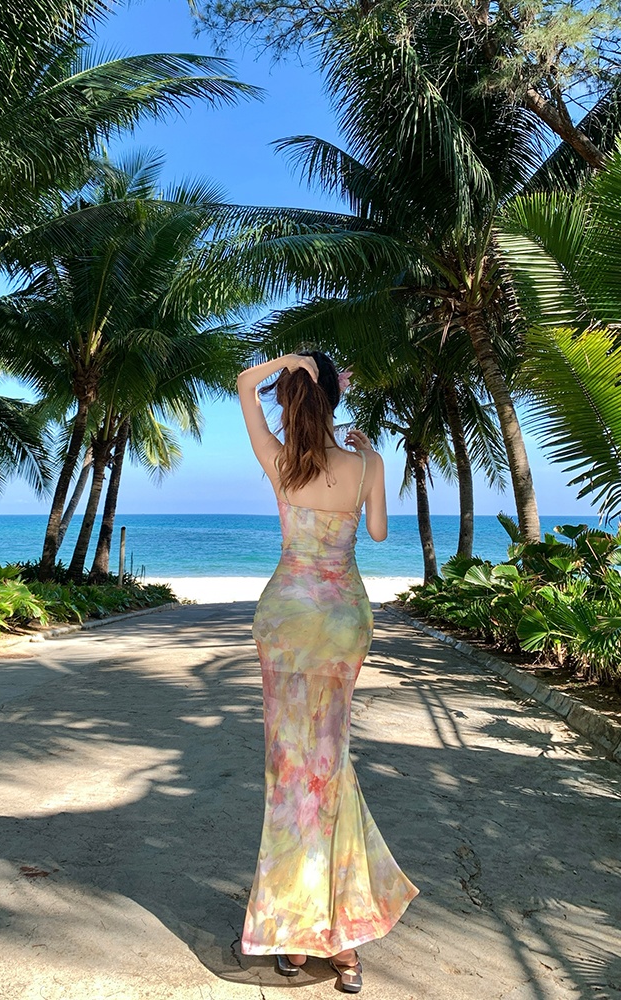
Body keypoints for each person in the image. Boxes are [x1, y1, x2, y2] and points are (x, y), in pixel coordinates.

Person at [236, 350, 419, 994]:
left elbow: (243, 386)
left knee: (291, 774)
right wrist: (371, 458)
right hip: (341, 618)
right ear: (337, 398)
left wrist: (287, 360)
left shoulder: (280, 460)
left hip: (288, 616)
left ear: (290, 401)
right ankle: (342, 944)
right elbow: (378, 532)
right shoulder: (366, 463)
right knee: (328, 767)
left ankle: (294, 934)